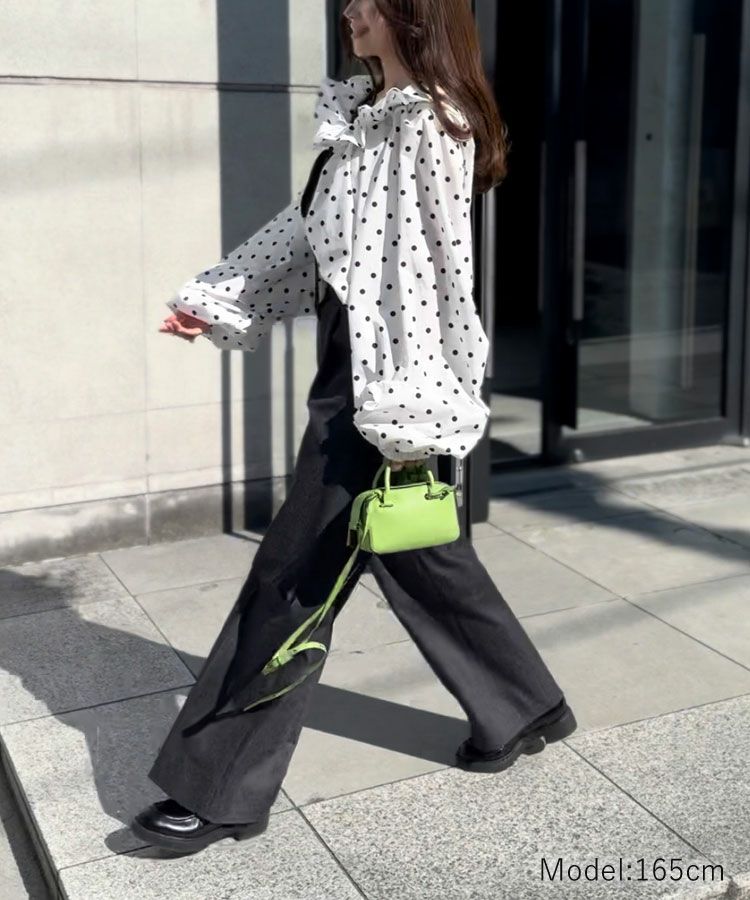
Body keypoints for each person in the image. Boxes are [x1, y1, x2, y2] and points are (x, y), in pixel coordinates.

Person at [132, 0, 576, 856]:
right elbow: (308, 231)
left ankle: (218, 788)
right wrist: (217, 297)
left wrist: (411, 405)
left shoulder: (432, 124)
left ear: (413, 13)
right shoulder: (369, 119)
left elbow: (438, 276)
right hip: (354, 367)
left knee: (293, 577)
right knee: (419, 553)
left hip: (385, 382)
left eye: (369, 0)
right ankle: (523, 706)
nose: (350, 11)